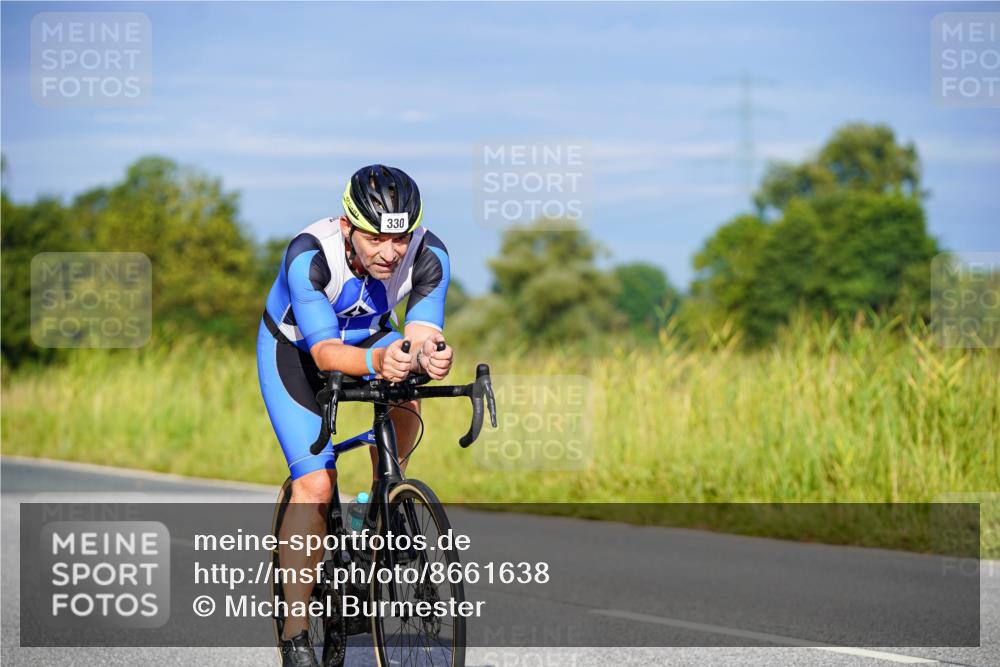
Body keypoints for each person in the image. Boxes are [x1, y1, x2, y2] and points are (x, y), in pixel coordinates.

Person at [256, 164, 453, 666]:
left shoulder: (430, 255)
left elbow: (423, 328)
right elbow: (324, 354)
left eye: (401, 239)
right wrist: (378, 361)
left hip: (369, 337)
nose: (390, 253)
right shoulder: (309, 255)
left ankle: (385, 495)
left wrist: (432, 353)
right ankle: (296, 631)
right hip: (298, 351)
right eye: (376, 239)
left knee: (408, 382)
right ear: (348, 226)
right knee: (317, 487)